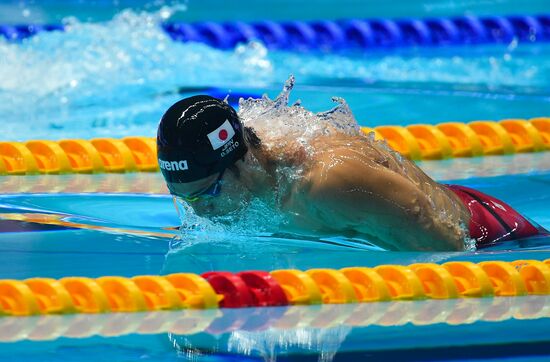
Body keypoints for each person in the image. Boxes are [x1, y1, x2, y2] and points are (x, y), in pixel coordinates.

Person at [156, 95, 543, 251]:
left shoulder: (328, 183)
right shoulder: (249, 147)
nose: (199, 211)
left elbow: (447, 250)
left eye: (206, 194)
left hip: (491, 233)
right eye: (184, 197)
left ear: (241, 163)